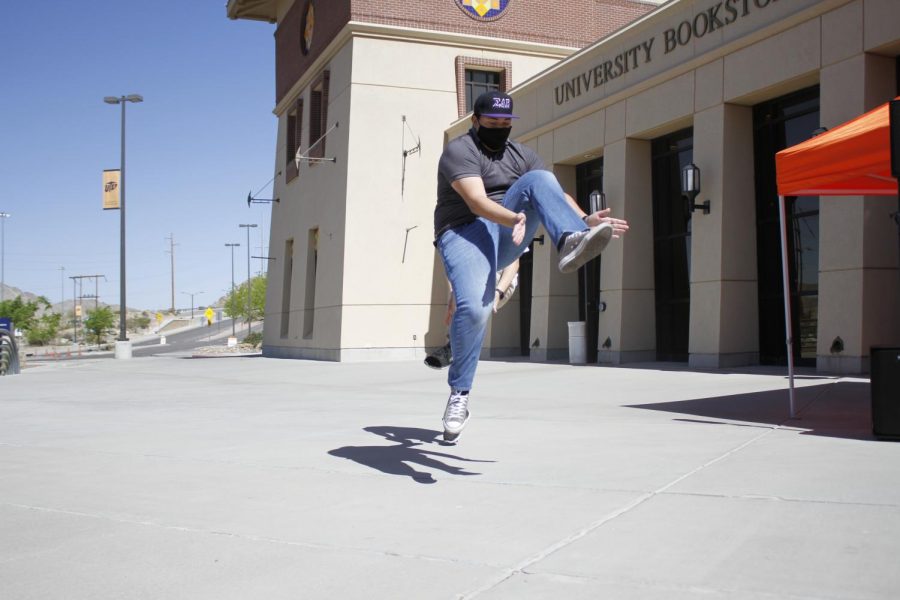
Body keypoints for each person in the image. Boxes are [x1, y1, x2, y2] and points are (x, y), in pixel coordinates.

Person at [433, 90, 629, 443]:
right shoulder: (459, 151)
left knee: (541, 179)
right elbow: (476, 202)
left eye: (505, 124)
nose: (500, 129)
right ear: (475, 121)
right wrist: (513, 218)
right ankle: (460, 393)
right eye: (492, 123)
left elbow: (552, 191)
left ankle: (570, 239)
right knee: (475, 311)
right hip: (465, 233)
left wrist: (584, 218)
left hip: (509, 230)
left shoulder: (520, 155)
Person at [424, 258, 520, 370]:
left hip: (501, 280)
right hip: (473, 274)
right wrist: (453, 293)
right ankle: (456, 345)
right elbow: (452, 265)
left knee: (470, 295)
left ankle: (456, 346)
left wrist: (498, 292)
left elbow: (513, 262)